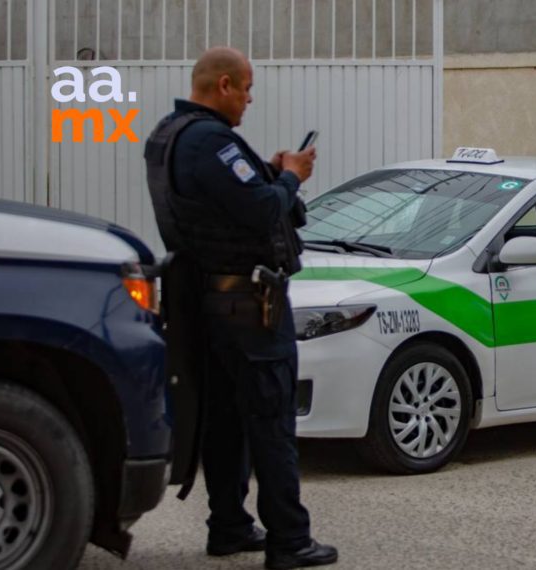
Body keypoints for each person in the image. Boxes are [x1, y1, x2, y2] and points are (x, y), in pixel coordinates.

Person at [144, 47, 337, 568]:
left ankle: (228, 525)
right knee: (271, 420)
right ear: (224, 84)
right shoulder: (211, 140)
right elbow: (261, 210)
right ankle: (290, 540)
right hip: (249, 305)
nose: (250, 99)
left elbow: (231, 201)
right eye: (247, 88)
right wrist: (292, 174)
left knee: (225, 419)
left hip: (209, 301)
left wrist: (269, 171)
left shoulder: (170, 134)